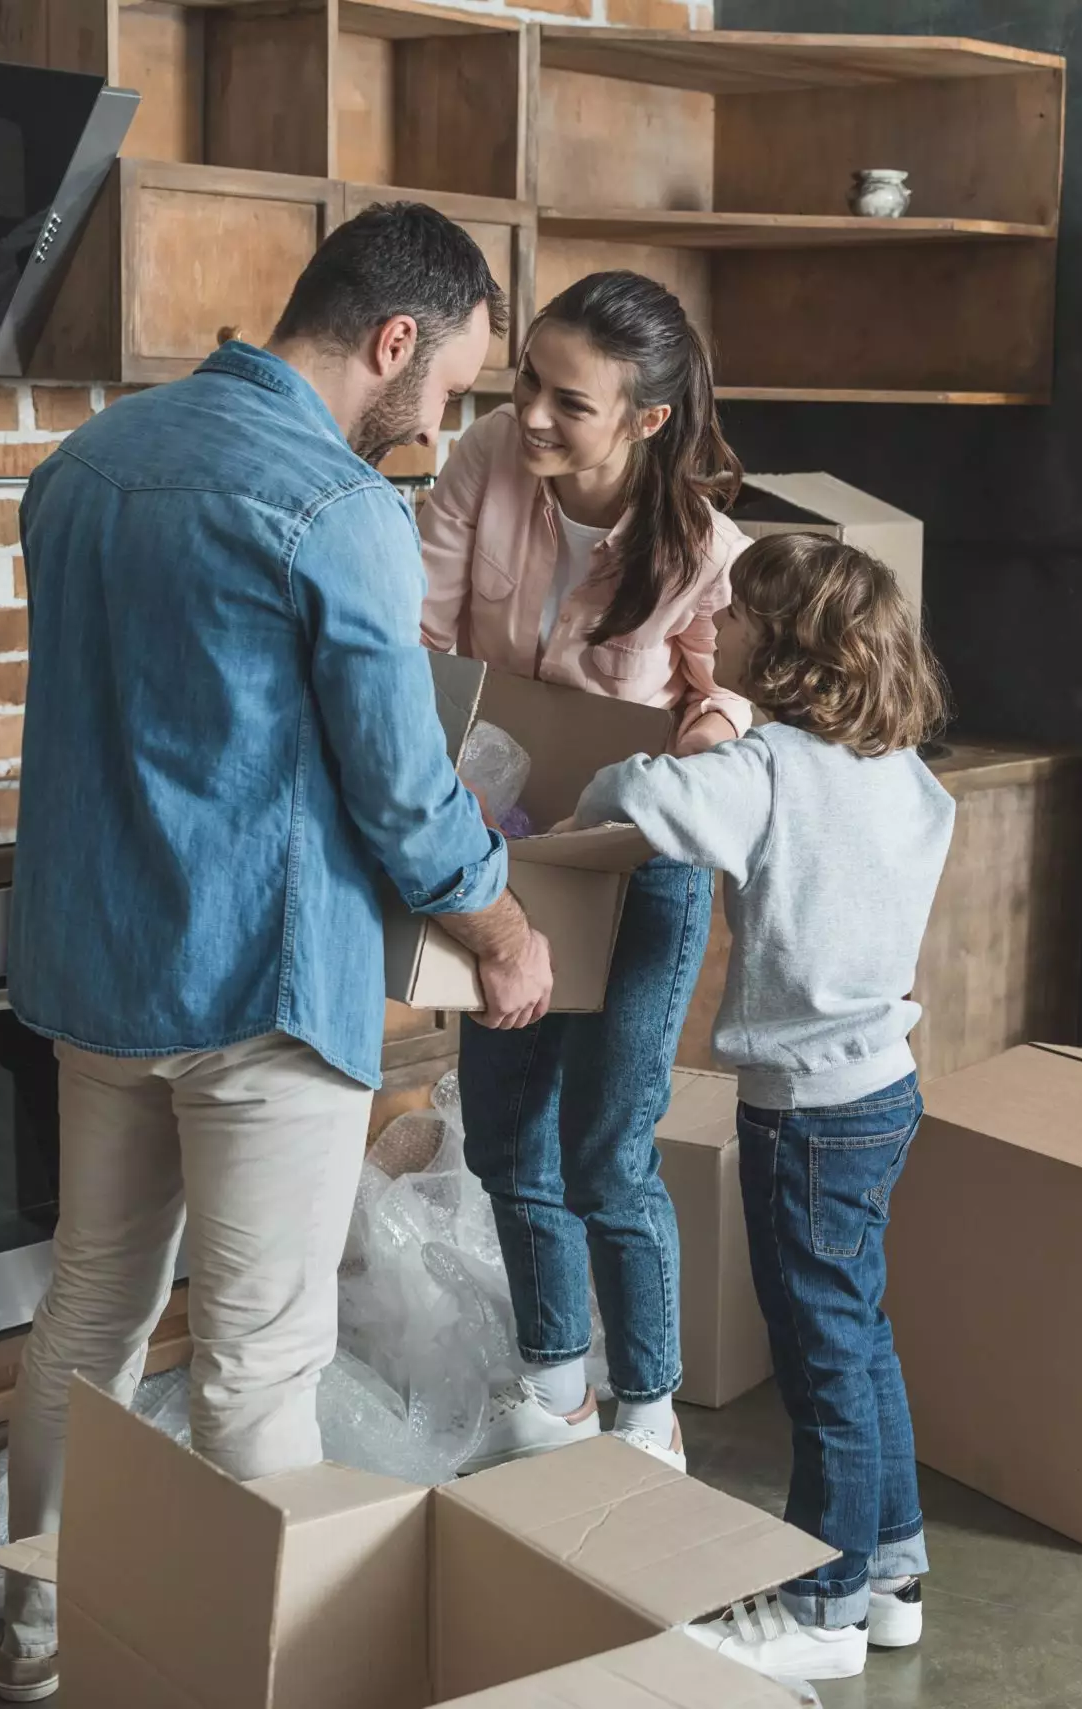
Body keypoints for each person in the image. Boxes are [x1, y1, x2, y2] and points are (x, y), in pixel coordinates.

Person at [0, 202, 555, 1704]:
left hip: (95, 969)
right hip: (256, 990)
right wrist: (499, 921)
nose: (436, 429)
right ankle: (265, 1679)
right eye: (444, 396)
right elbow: (400, 784)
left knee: (89, 1318)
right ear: (390, 343)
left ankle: (41, 1643)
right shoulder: (334, 506)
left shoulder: (83, 466)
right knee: (257, 1366)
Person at [568, 533, 956, 1684]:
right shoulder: (900, 767)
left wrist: (713, 729)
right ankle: (888, 1567)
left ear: (779, 650)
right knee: (859, 1331)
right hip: (883, 1086)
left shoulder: (770, 766)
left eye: (732, 613)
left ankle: (823, 1605)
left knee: (821, 1357)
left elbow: (634, 792)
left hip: (804, 1113)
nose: (715, 625)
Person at [418, 270, 754, 1474]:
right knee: (507, 1139)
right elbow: (424, 636)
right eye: (525, 384)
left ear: (647, 419)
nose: (533, 417)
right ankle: (551, 1392)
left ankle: (644, 1417)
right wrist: (442, 784)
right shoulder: (483, 462)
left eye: (571, 401)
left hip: (636, 856)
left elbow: (726, 691)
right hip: (498, 838)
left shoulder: (709, 548)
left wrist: (678, 761)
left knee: (610, 1147)